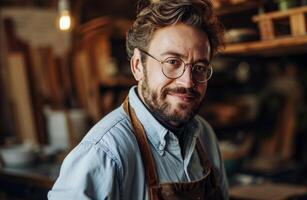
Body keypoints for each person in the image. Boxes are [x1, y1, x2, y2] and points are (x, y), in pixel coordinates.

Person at [48, 0, 229, 199]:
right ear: (137, 66)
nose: (187, 82)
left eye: (199, 68)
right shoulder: (104, 153)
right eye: (172, 62)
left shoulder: (204, 136)